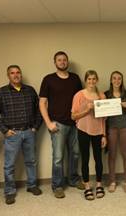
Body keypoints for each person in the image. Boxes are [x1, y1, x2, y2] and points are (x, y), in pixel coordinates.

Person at [0, 65, 42, 205]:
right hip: (12, 134)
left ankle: (32, 185)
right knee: (9, 165)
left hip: (29, 132)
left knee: (31, 161)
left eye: (18, 72)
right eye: (12, 73)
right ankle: (10, 192)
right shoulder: (1, 92)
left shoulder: (30, 90)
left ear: (21, 74)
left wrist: (35, 127)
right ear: (8, 76)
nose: (16, 75)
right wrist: (5, 130)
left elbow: (39, 110)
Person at [39, 51, 83, 199]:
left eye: (64, 60)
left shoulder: (75, 79)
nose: (62, 62)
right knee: (58, 157)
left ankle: (73, 179)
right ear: (55, 62)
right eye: (59, 60)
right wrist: (48, 123)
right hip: (57, 124)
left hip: (75, 123)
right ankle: (57, 186)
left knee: (76, 153)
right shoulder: (48, 79)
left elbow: (81, 99)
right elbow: (42, 103)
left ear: (67, 62)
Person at [71, 70, 107, 201]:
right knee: (85, 159)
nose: (91, 82)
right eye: (89, 79)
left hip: (98, 131)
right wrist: (87, 110)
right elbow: (73, 116)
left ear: (97, 80)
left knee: (99, 159)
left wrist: (104, 135)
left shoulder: (101, 96)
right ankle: (87, 186)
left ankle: (98, 185)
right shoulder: (79, 95)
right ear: (85, 81)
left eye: (94, 79)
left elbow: (104, 119)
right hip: (83, 130)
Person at [104, 71, 126, 193]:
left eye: (119, 78)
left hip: (125, 127)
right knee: (112, 155)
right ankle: (112, 181)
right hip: (111, 128)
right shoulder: (106, 94)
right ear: (111, 80)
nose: (117, 81)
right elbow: (101, 112)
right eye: (114, 78)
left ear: (122, 80)